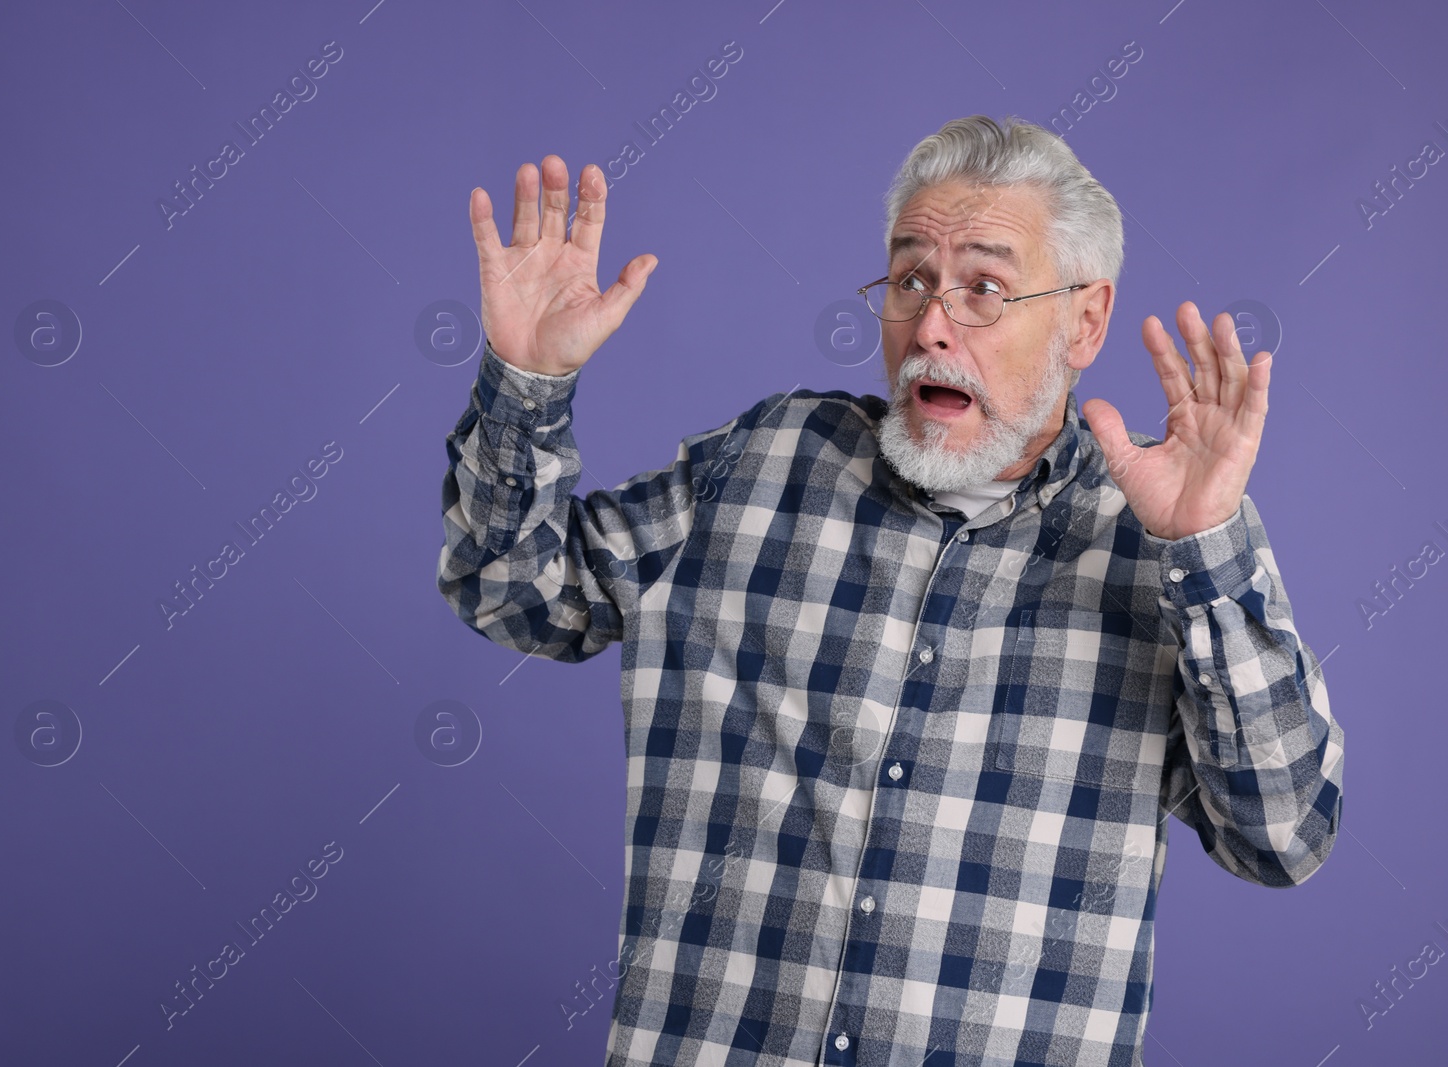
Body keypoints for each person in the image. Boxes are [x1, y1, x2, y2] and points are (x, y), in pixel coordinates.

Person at [437, 114, 1344, 1067]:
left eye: (985, 288)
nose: (933, 326)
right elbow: (509, 586)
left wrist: (1203, 547)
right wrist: (527, 381)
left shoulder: (1162, 548)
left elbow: (1281, 836)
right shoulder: (764, 462)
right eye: (912, 279)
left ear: (1085, 320)